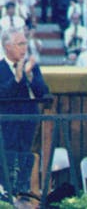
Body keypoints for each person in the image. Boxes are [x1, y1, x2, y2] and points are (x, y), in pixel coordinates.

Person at [0, 27, 50, 194]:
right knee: (7, 160)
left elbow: (43, 91)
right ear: (7, 46)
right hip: (6, 125)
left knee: (26, 158)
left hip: (28, 122)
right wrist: (18, 79)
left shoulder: (32, 67)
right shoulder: (0, 68)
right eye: (20, 44)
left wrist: (29, 77)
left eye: (25, 44)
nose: (24, 48)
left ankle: (23, 191)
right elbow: (3, 94)